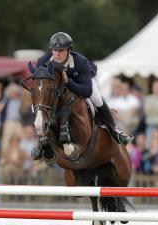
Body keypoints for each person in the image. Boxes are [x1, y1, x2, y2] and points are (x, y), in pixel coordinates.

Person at [31, 32, 133, 160]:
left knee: (97, 99)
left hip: (81, 83)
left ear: (69, 50)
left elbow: (86, 91)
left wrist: (68, 82)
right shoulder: (44, 61)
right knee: (40, 98)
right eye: (54, 50)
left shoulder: (80, 62)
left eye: (61, 50)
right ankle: (40, 139)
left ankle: (114, 130)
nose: (57, 54)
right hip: (56, 90)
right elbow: (40, 84)